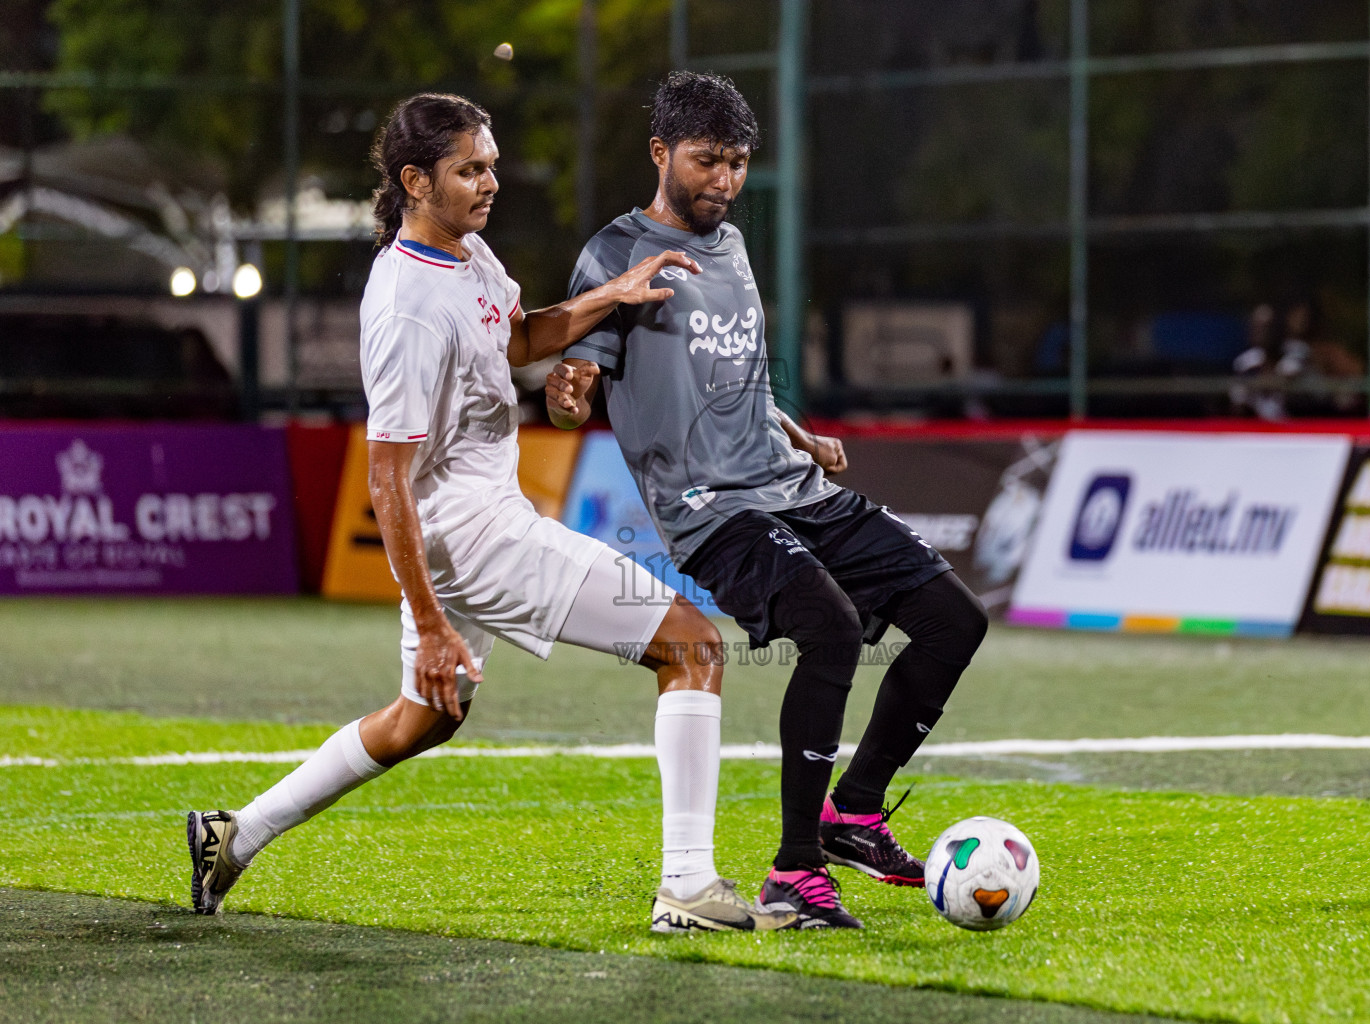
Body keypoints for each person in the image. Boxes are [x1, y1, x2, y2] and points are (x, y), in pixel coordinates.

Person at [186, 92, 794, 935]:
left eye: (492, 165)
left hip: (467, 526)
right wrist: (432, 622)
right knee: (692, 645)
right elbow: (387, 479)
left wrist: (611, 295)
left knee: (422, 719)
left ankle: (234, 834)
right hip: (472, 535)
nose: (490, 182)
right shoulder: (403, 307)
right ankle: (687, 888)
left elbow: (514, 341)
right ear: (414, 181)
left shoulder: (467, 254)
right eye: (470, 169)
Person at [546, 72, 989, 929]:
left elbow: (732, 375)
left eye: (740, 162)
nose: (724, 179)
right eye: (707, 160)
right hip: (709, 509)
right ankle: (795, 873)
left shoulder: (734, 246)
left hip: (794, 486)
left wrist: (795, 432)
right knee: (827, 625)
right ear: (660, 153)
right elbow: (580, 364)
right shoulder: (614, 253)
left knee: (952, 619)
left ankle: (855, 813)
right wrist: (569, 387)